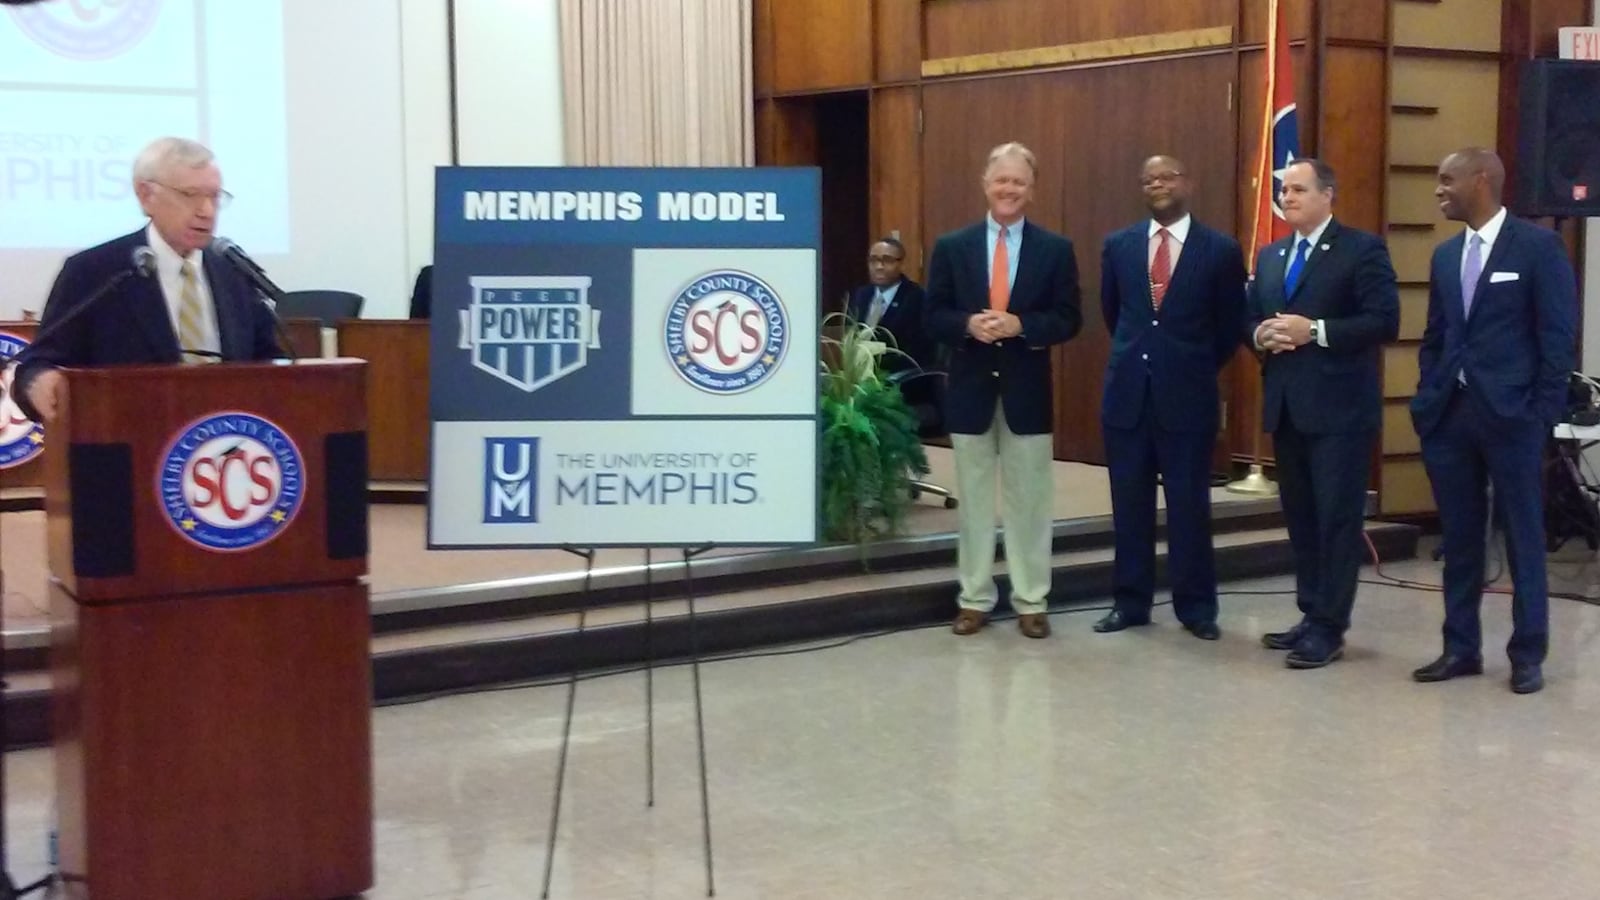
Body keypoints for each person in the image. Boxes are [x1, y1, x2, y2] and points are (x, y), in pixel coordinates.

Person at [1409, 148, 1577, 695]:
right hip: (1451, 418)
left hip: (1514, 419)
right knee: (1459, 539)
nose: (1439, 190)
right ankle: (1460, 647)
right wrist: (1428, 393)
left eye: (1446, 179)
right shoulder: (1444, 255)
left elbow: (1556, 339)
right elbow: (1437, 336)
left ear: (1481, 180)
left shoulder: (1537, 247)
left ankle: (1527, 653)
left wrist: (1542, 414)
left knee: (1523, 536)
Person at [924, 141, 1082, 639]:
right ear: (985, 184)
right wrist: (970, 323)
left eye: (1018, 181)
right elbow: (933, 316)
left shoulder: (1056, 250)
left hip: (1026, 396)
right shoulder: (953, 246)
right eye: (1001, 180)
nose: (1008, 189)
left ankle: (1031, 600)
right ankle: (973, 598)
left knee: (1030, 502)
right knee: (972, 503)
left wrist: (1021, 325)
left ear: (1031, 190)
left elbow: (1068, 319)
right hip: (970, 393)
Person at [1248, 158, 1399, 669]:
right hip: (1288, 407)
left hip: (1340, 412)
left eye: (1297, 189)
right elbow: (1253, 317)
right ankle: (1310, 613)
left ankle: (1331, 627)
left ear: (1327, 194)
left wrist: (1315, 330)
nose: (1287, 197)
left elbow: (1384, 321)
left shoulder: (1361, 249)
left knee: (1336, 521)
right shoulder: (1271, 256)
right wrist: (1260, 336)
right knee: (1302, 519)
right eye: (1283, 190)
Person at [14, 137, 281, 424]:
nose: (206, 210)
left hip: (225, 446)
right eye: (190, 195)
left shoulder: (234, 271)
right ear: (145, 195)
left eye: (214, 197)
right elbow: (37, 363)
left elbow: (267, 362)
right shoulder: (95, 272)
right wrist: (38, 381)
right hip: (130, 444)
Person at [1094, 155, 1247, 641]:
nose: (1157, 184)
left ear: (1188, 183)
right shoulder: (1118, 245)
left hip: (1188, 398)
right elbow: (1113, 314)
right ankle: (1130, 603)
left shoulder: (1219, 249)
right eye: (1148, 179)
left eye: (1166, 177)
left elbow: (1228, 327)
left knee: (1189, 508)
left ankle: (1196, 608)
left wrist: (1189, 365)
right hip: (1128, 398)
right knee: (1129, 507)